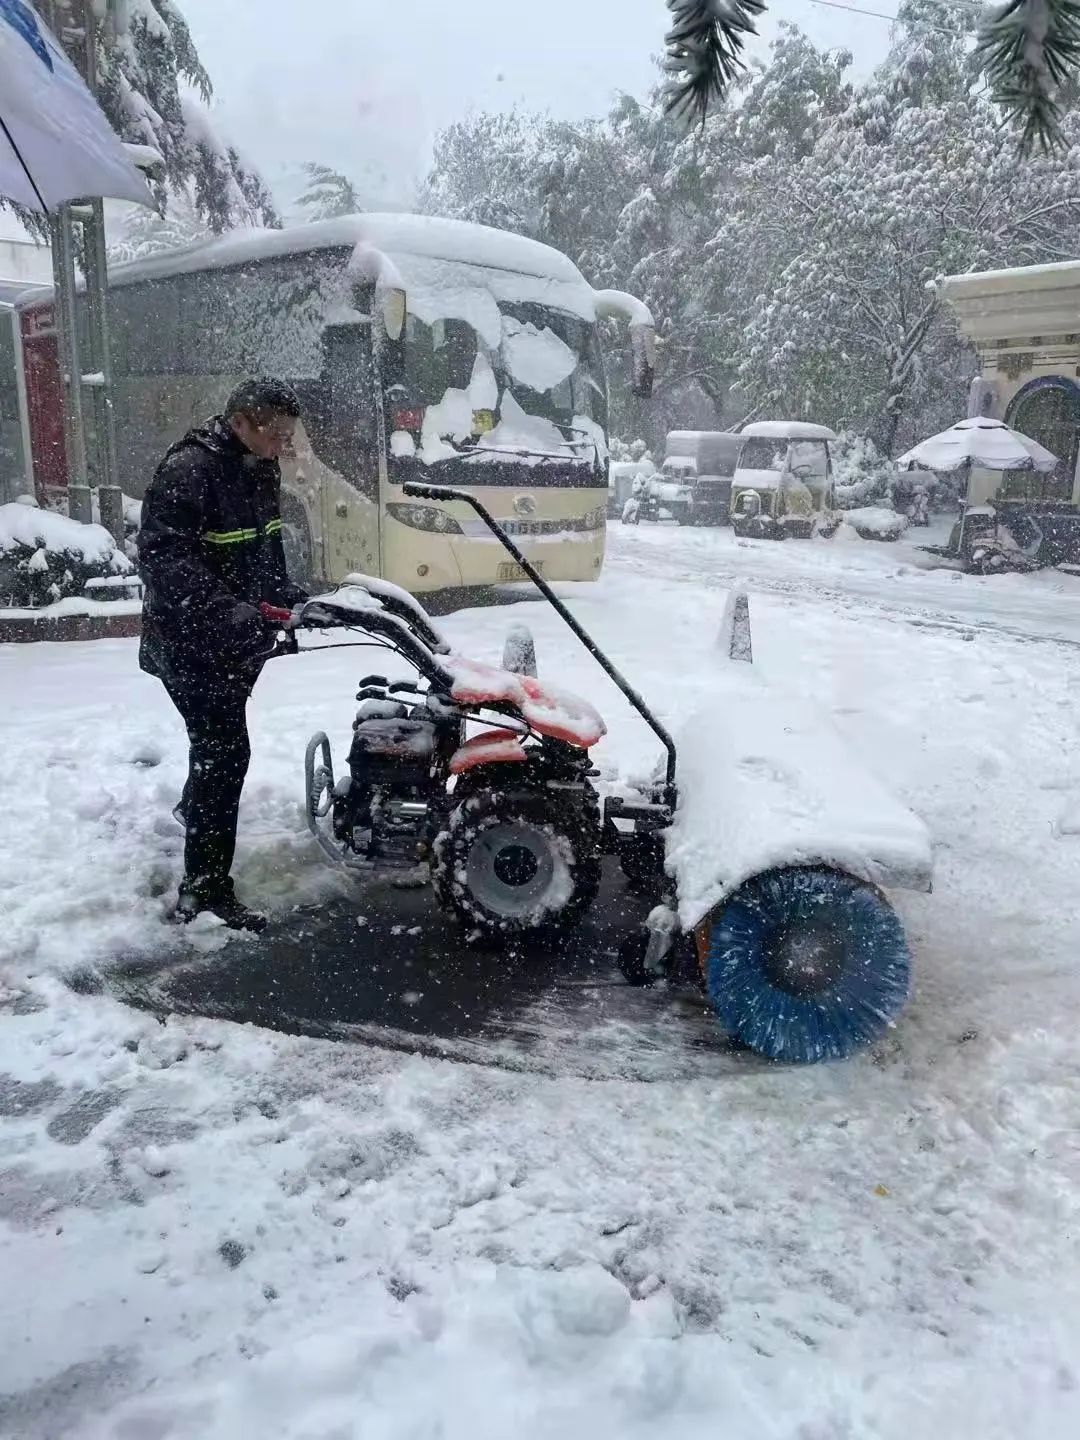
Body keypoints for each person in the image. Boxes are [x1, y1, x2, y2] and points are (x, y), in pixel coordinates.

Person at [138, 378, 309, 932]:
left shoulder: (258, 466)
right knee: (224, 752)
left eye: (289, 435)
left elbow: (263, 545)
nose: (284, 444)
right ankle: (204, 892)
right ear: (241, 422)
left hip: (234, 645)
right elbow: (164, 563)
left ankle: (197, 815)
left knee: (216, 752)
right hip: (189, 645)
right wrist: (230, 611)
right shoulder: (189, 470)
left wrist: (287, 597)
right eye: (276, 434)